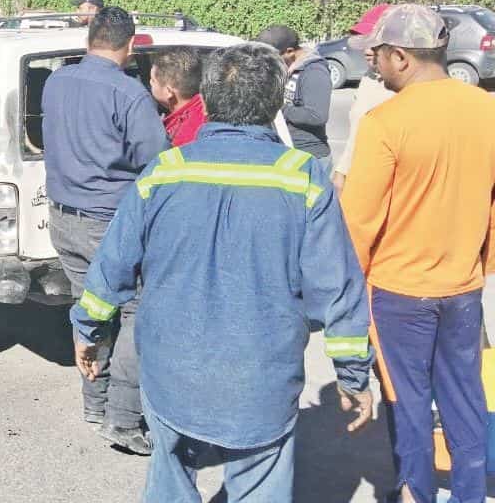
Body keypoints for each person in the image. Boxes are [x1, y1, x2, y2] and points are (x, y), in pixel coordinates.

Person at [71, 43, 375, 502]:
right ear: (275, 104)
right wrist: (352, 377)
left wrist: (88, 330)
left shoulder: (163, 172)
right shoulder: (303, 177)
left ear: (207, 103)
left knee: (169, 474)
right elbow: (339, 289)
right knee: (259, 483)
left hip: (170, 368)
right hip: (261, 376)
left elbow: (111, 267)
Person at [340, 4, 495, 503]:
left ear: (401, 57)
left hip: (400, 292)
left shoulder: (386, 122)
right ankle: (470, 494)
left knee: (407, 405)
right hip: (463, 286)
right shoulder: (487, 111)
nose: (375, 66)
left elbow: (358, 220)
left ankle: (416, 495)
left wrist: (345, 291)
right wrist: (482, 262)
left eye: (379, 57)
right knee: (465, 399)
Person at [42, 5, 169, 454]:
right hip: (109, 222)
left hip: (63, 218)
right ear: (131, 46)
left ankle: (94, 404)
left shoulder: (57, 81)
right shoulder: (130, 94)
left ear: (88, 38)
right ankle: (122, 418)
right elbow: (156, 164)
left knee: (90, 308)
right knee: (132, 312)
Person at [331, 4, 395, 194]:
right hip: (359, 181)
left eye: (374, 42)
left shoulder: (409, 89)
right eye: (366, 41)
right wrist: (341, 172)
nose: (367, 50)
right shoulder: (369, 77)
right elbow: (356, 134)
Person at [257, 25, 333, 164]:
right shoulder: (285, 68)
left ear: (290, 51)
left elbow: (317, 116)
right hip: (286, 151)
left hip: (310, 156)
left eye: (271, 58)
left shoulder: (314, 71)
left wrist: (279, 108)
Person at [148, 47, 207, 146]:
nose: (149, 83)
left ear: (168, 92)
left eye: (153, 81)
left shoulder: (184, 136)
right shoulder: (206, 109)